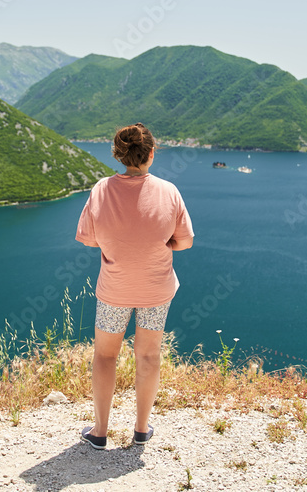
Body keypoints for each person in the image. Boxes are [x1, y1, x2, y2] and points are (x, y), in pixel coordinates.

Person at [75, 122, 194, 449]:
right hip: (156, 290)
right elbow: (184, 243)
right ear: (151, 153)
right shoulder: (169, 191)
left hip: (114, 290)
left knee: (104, 356)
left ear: (118, 154)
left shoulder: (100, 189)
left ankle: (99, 432)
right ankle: (141, 429)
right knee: (149, 355)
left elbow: (88, 239)